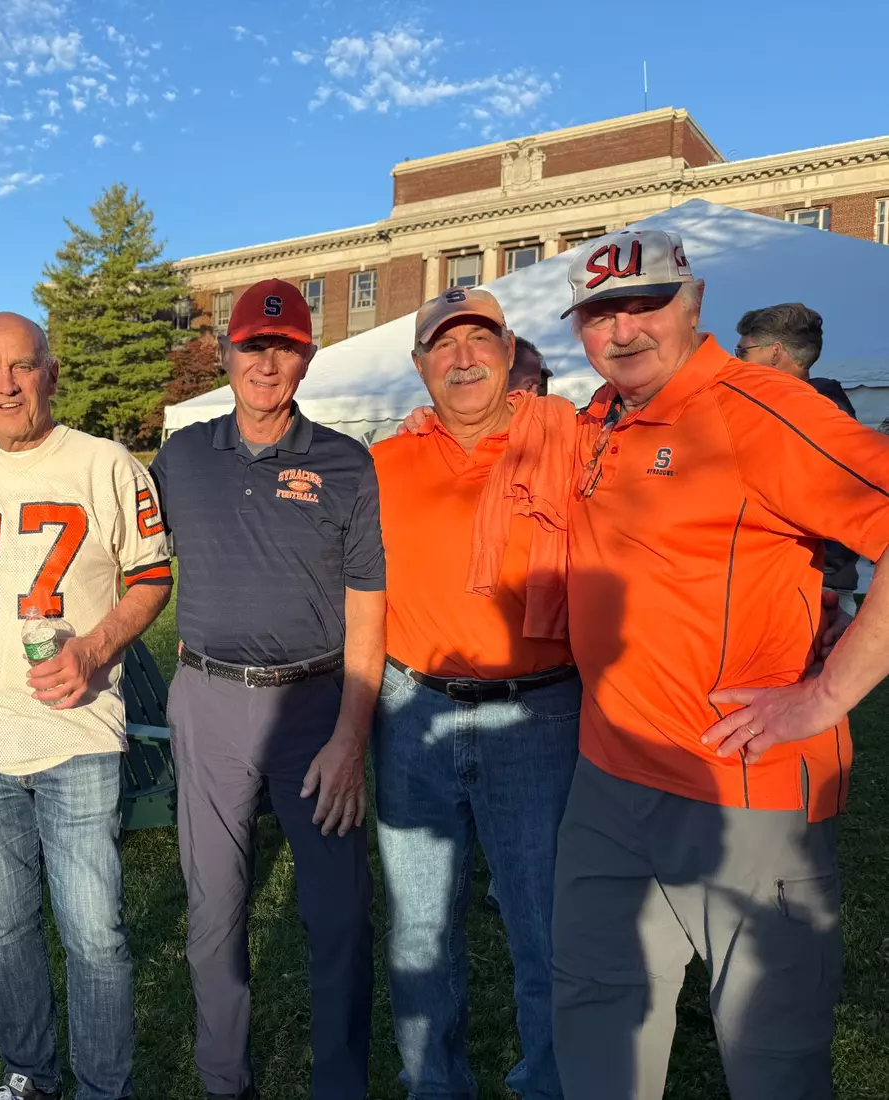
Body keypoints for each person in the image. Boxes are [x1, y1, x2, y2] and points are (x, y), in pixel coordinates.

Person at [553, 230, 889, 1099]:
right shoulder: (595, 419)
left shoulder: (757, 408)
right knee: (598, 1035)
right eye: (600, 315)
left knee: (770, 1061)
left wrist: (825, 695)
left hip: (744, 788)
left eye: (645, 305)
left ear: (692, 303)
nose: (622, 332)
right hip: (607, 780)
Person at [0, 312, 172, 1100]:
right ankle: (28, 1072)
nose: (6, 385)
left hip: (77, 733)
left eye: (22, 367)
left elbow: (152, 575)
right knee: (3, 931)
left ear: (50, 374)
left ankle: (104, 1087)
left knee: (94, 935)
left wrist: (95, 651)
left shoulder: (106, 465)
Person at [150, 279, 386, 1100]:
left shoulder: (345, 463)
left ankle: (340, 1085)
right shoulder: (181, 456)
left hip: (314, 710)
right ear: (226, 354)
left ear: (307, 359)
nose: (267, 361)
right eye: (253, 345)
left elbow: (368, 611)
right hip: (207, 701)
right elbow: (135, 561)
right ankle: (224, 1081)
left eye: (283, 348)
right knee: (214, 910)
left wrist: (351, 739)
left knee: (339, 915)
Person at [370, 287, 579, 1100]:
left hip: (538, 715)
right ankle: (433, 1086)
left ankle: (548, 1085)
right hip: (410, 709)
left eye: (478, 341)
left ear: (508, 351)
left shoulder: (568, 444)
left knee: (544, 929)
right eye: (442, 346)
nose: (461, 359)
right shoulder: (382, 463)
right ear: (420, 364)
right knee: (420, 929)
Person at [736, 303, 861, 611]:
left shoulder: (818, 413)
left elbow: (840, 501)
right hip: (784, 581)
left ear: (775, 352)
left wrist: (827, 578)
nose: (736, 363)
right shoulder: (787, 408)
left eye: (743, 353)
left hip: (812, 587)